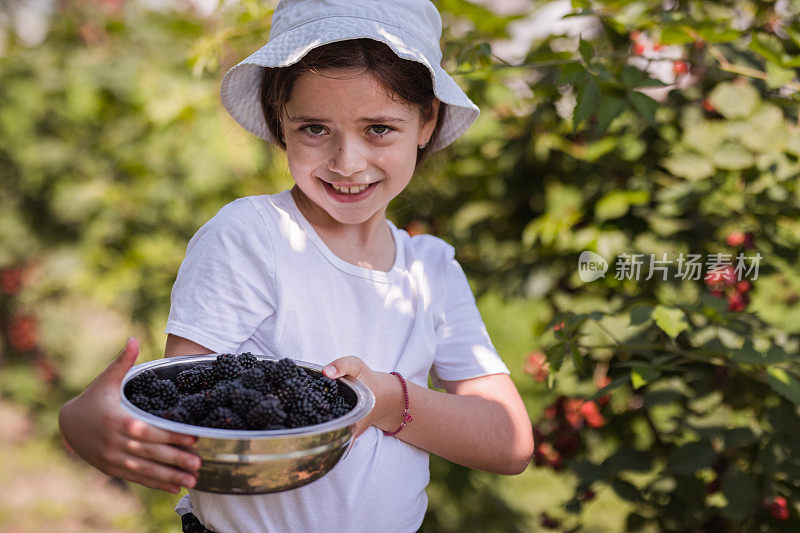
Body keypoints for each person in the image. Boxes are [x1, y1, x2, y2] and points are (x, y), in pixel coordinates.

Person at [59, 0, 534, 531]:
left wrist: (384, 401)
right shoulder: (252, 238)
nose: (347, 161)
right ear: (279, 122)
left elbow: (508, 441)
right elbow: (190, 420)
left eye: (378, 128)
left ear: (427, 121)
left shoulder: (432, 270)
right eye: (314, 129)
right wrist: (84, 423)